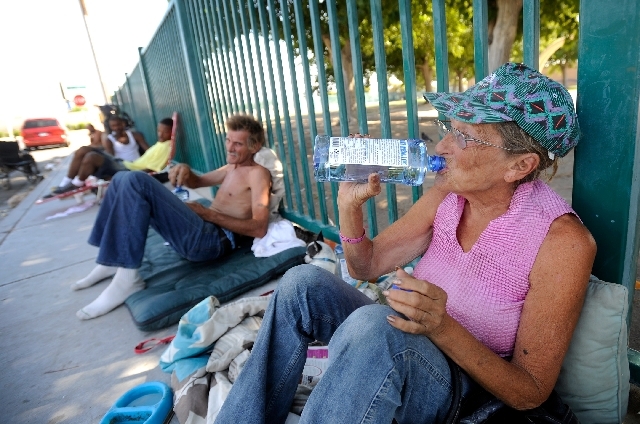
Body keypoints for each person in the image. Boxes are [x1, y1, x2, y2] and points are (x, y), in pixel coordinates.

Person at [215, 62, 596, 423]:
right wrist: (350, 206)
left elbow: (529, 392)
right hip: (403, 339)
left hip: (464, 391)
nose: (441, 147)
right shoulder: (449, 196)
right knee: (302, 284)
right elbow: (364, 267)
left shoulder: (561, 242)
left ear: (520, 165)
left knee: (373, 326)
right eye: (449, 128)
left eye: (464, 137)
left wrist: (441, 327)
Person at [73, 114, 271, 320]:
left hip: (212, 241)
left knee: (136, 180)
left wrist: (207, 213)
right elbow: (197, 182)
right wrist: (184, 169)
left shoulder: (258, 174)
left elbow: (259, 228)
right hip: (201, 228)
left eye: (238, 144)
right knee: (120, 178)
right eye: (228, 140)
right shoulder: (232, 167)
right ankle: (110, 261)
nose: (230, 148)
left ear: (254, 146)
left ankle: (127, 280)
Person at [44, 118, 172, 198]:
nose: (160, 134)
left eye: (165, 132)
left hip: (128, 170)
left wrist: (132, 177)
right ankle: (67, 183)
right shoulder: (160, 143)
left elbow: (151, 169)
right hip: (124, 163)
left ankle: (75, 184)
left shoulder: (167, 146)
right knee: (83, 150)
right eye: (159, 131)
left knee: (91, 156)